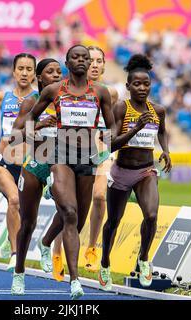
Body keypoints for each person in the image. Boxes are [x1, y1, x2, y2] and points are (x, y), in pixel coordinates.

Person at [20, 45, 116, 299]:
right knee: (70, 213)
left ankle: (45, 241)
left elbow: (112, 127)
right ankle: (75, 281)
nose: (82, 61)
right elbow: (30, 117)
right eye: (77, 57)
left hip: (86, 159)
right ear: (68, 62)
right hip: (60, 156)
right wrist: (32, 131)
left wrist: (107, 142)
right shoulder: (54, 90)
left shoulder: (101, 92)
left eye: (86, 57)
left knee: (78, 219)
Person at [99, 54, 172, 291]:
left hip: (145, 171)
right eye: (137, 84)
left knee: (151, 215)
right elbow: (111, 144)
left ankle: (143, 259)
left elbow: (162, 131)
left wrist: (166, 151)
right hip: (121, 171)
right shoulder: (120, 108)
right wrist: (137, 127)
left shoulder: (158, 110)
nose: (142, 88)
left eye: (146, 84)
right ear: (128, 86)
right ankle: (105, 263)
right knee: (113, 222)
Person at [49, 46, 119, 278]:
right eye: (93, 60)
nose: (96, 65)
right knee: (69, 209)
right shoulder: (65, 90)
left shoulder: (109, 92)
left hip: (101, 153)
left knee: (100, 196)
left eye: (100, 61)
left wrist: (110, 147)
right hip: (72, 153)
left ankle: (91, 247)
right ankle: (57, 251)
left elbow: (113, 125)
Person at [10, 58, 62, 295]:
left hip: (60, 165)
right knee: (28, 223)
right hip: (34, 165)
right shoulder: (31, 103)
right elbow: (15, 137)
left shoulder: (67, 102)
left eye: (59, 72)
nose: (56, 75)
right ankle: (19, 273)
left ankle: (46, 242)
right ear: (39, 77)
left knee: (71, 212)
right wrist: (39, 127)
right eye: (50, 72)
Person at [0, 53, 37, 272]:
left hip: (28, 165)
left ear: (35, 73)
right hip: (3, 162)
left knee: (22, 211)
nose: (24, 73)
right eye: (20, 68)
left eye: (29, 69)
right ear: (14, 71)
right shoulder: (2, 96)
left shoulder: (40, 98)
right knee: (14, 200)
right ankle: (15, 255)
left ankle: (10, 239)